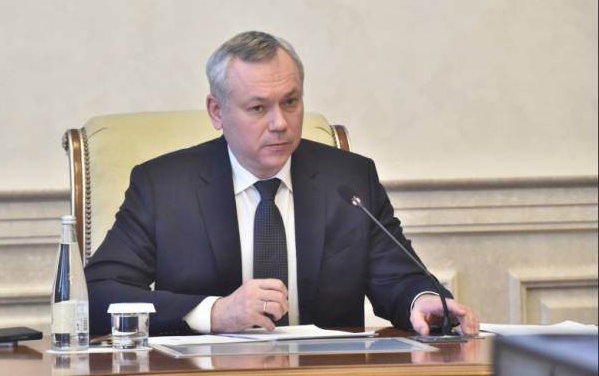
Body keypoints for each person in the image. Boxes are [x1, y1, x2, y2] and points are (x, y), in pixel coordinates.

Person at [85, 31, 479, 336]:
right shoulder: (165, 187)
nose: (280, 123)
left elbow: (398, 277)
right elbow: (98, 294)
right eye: (258, 107)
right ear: (217, 111)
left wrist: (421, 300)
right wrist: (213, 313)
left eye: (290, 102)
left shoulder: (349, 180)